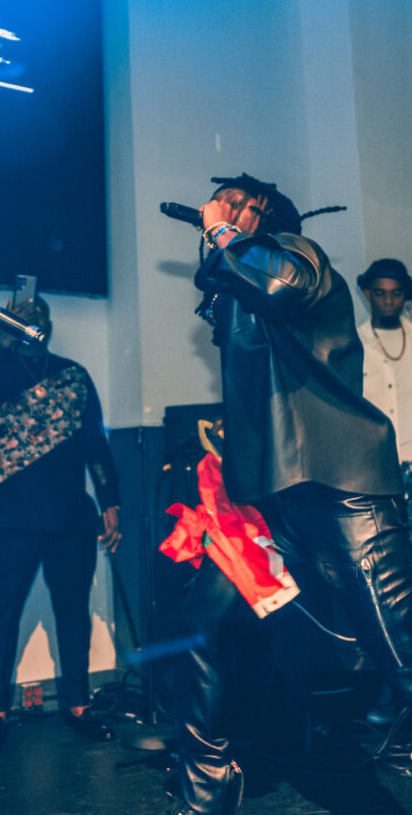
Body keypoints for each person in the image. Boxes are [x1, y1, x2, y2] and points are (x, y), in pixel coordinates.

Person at [169, 173, 411, 815]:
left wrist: (224, 231)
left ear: (264, 215)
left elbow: (280, 285)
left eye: (235, 204)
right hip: (273, 500)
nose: (219, 210)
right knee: (202, 623)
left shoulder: (298, 256)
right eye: (221, 205)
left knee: (400, 650)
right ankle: (208, 783)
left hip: (340, 485)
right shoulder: (237, 283)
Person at [0, 295, 121, 754]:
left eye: (39, 316)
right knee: (3, 615)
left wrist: (110, 500)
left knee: (73, 613)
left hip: (70, 515)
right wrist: (4, 331)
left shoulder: (73, 374)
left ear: (50, 325)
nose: (34, 322)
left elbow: (96, 442)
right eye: (25, 316)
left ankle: (78, 704)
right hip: (9, 515)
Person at [357, 259, 412, 491]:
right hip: (376, 469)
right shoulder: (353, 345)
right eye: (380, 293)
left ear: (405, 295)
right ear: (368, 295)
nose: (388, 301)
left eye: (396, 293)